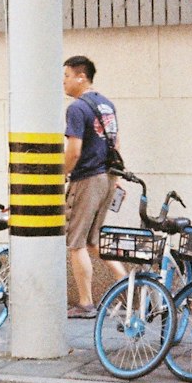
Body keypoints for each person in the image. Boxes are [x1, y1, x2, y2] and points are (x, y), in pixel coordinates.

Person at [63, 55, 126, 319]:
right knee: (94, 240)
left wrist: (61, 174)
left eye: (66, 76)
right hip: (109, 176)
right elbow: (117, 142)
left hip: (87, 178)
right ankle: (131, 287)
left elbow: (74, 151)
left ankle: (86, 303)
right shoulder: (106, 104)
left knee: (76, 243)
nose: (63, 82)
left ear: (81, 76)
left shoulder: (77, 108)